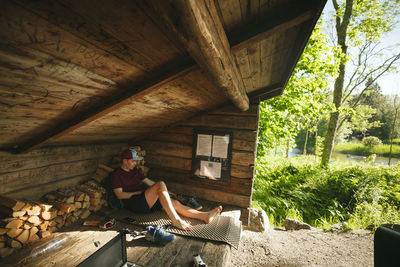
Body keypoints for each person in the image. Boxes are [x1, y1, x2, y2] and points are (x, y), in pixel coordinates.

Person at [110, 148, 222, 230]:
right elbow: (119, 195)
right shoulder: (116, 175)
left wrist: (166, 192)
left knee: (175, 202)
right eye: (133, 161)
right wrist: (139, 192)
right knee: (160, 184)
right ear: (125, 161)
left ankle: (204, 216)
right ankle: (176, 220)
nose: (135, 163)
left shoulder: (136, 171)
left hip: (145, 199)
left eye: (136, 161)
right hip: (135, 203)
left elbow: (149, 183)